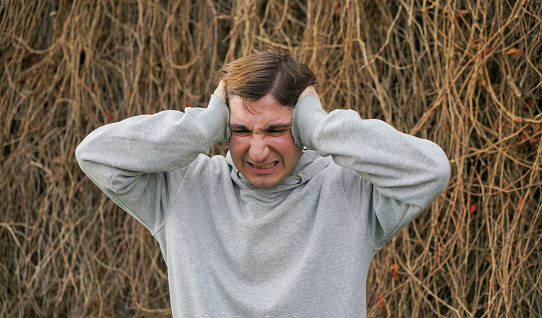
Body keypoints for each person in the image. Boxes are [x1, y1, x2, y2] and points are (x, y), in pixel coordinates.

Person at [76, 49, 450, 317]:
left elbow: (429, 171)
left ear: (301, 129)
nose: (257, 151)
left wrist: (321, 128)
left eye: (276, 130)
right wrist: (200, 128)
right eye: (240, 131)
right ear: (224, 125)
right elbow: (95, 153)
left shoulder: (349, 192)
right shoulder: (183, 189)